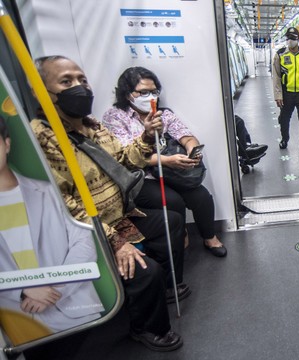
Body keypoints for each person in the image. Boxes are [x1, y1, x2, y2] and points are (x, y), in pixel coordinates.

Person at [30, 56, 185, 351]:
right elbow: (63, 205)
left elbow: (125, 160)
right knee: (145, 271)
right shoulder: (44, 138)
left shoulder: (94, 127)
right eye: (66, 82)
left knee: (171, 222)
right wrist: (113, 241)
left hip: (118, 215)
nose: (79, 87)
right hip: (86, 230)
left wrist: (147, 137)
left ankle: (165, 287)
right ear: (41, 92)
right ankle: (148, 328)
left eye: (82, 80)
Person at [102, 66, 227, 257]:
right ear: (128, 94)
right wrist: (166, 160)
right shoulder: (115, 117)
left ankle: (209, 237)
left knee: (202, 197)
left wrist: (192, 151)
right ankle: (181, 232)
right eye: (143, 92)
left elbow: (185, 135)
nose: (150, 96)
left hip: (171, 171)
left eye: (154, 91)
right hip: (142, 177)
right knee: (172, 201)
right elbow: (126, 154)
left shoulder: (163, 114)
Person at [0, 115, 104, 345]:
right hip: (18, 320)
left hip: (75, 307)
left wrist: (53, 286)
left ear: (7, 144)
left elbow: (84, 244)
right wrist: (21, 291)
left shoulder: (47, 191)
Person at [272, 27, 299, 157]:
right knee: (284, 119)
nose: (290, 41)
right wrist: (278, 95)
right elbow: (276, 77)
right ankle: (285, 139)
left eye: (293, 39)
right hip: (287, 94)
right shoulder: (280, 55)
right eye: (288, 38)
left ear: (298, 40)